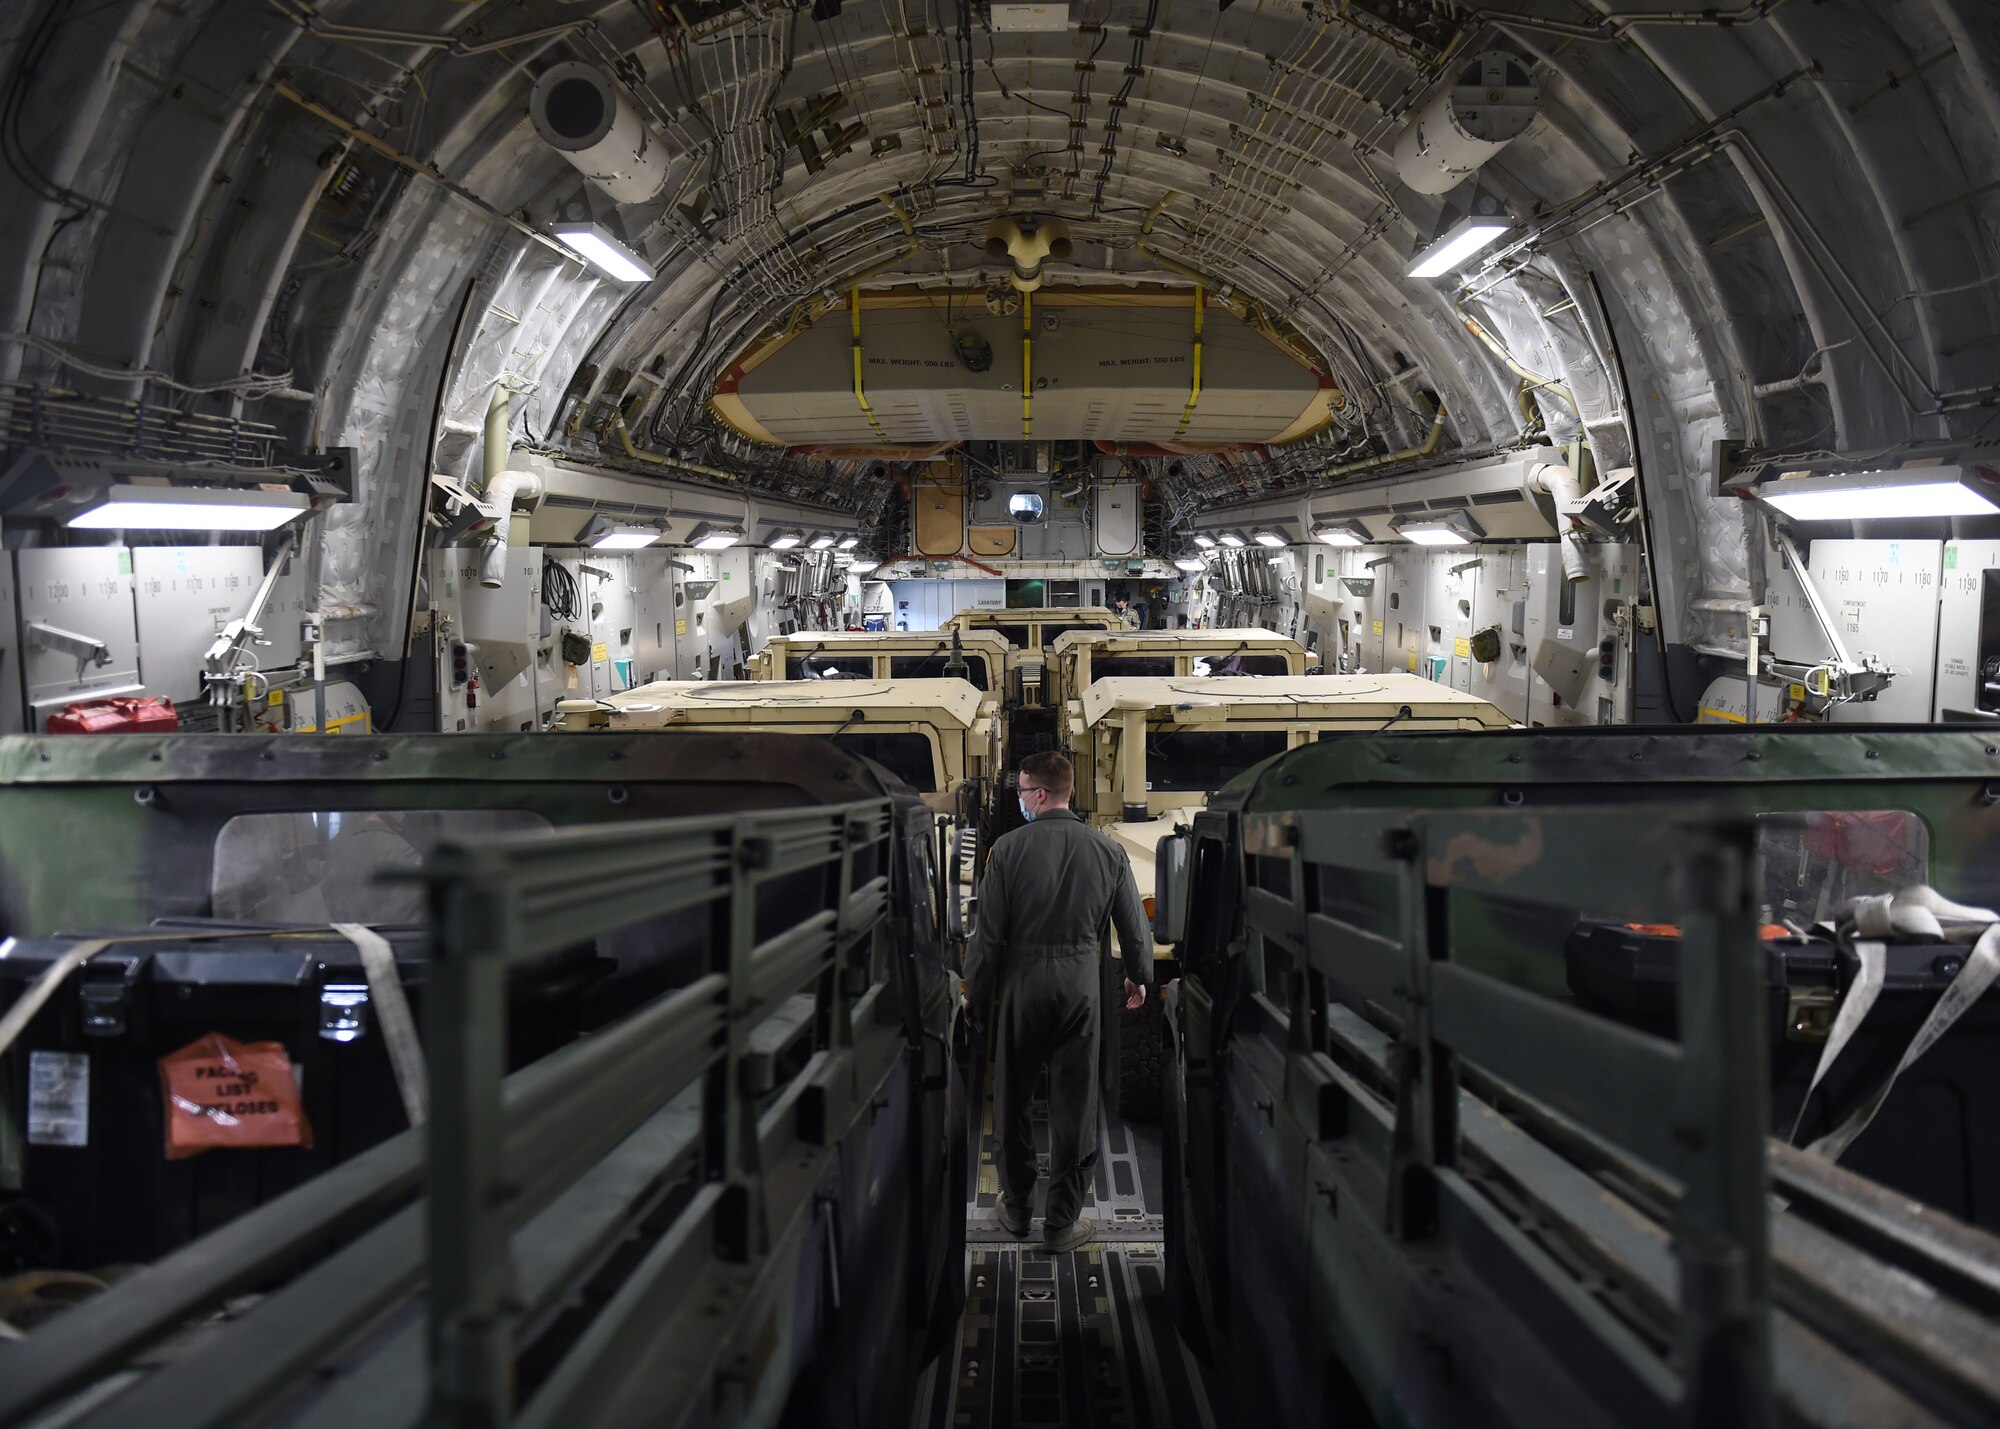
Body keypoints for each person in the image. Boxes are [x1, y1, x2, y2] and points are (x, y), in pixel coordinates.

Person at [963, 751, 1152, 1251]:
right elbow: (1133, 926)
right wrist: (1139, 977)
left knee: (1013, 1100)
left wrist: (973, 994)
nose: (1020, 799)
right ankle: (1062, 1223)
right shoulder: (1107, 851)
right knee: (1077, 1106)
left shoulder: (1006, 850)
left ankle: (1019, 1207)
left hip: (1022, 987)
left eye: (1022, 791)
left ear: (1039, 794)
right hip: (1080, 986)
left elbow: (988, 937)